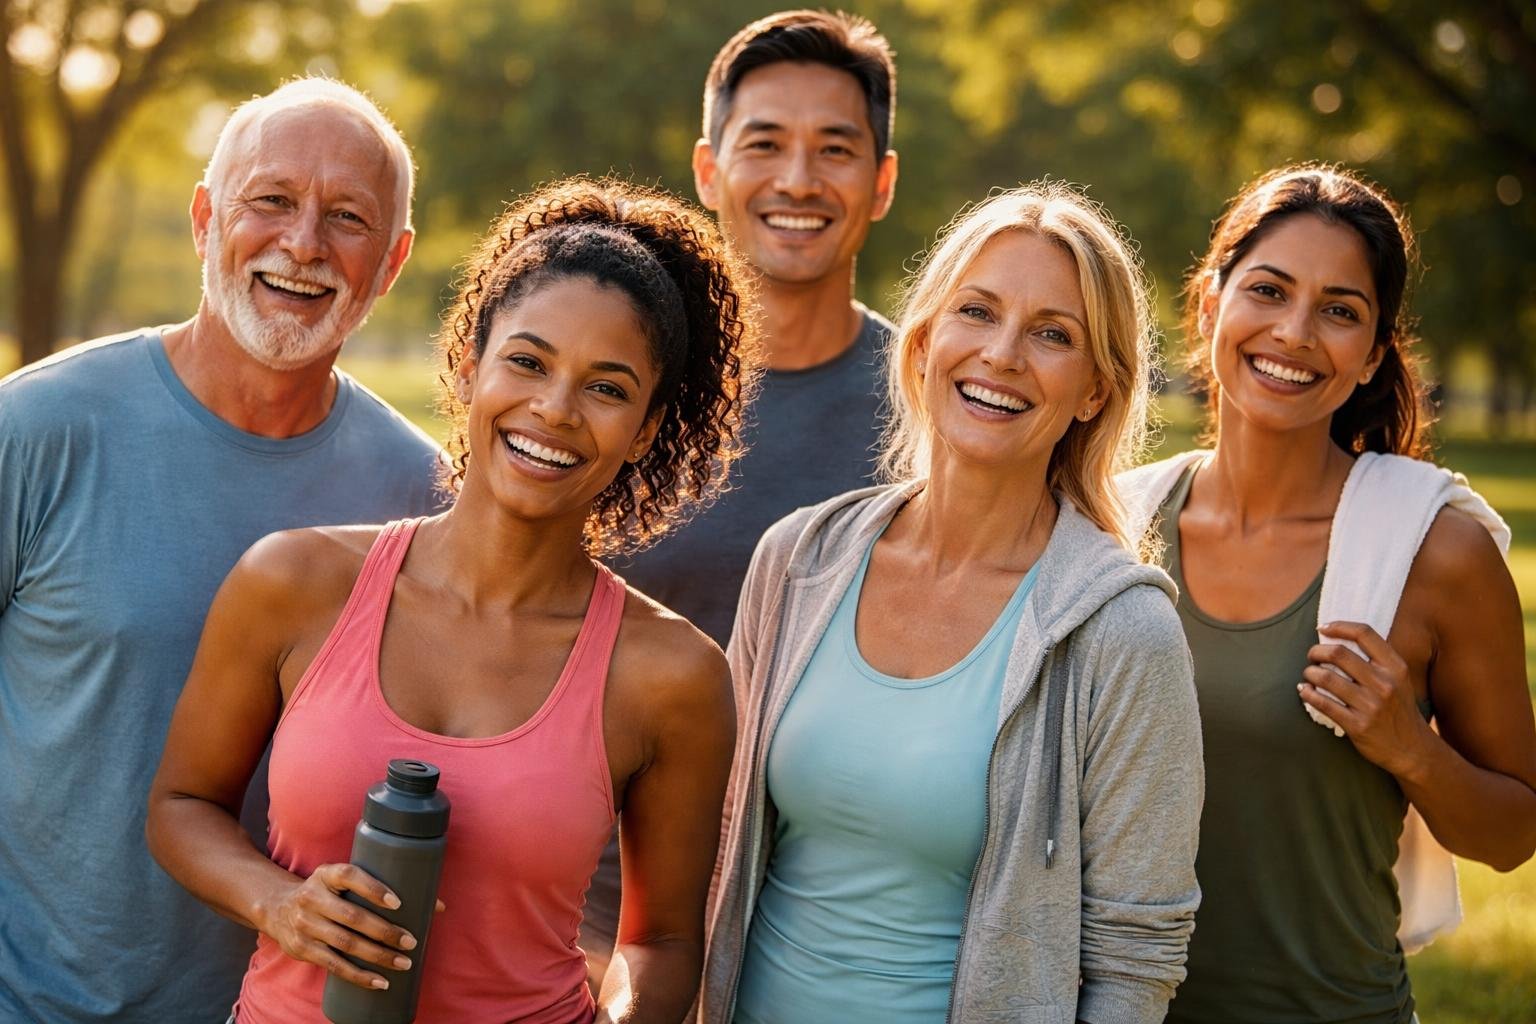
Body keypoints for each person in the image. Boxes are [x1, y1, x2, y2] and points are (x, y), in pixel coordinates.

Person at [146, 177, 752, 1024]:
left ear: (646, 429)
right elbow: (181, 808)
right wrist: (276, 902)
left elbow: (662, 944)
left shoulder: (673, 675)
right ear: (471, 369)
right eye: (528, 362)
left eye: (607, 388)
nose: (554, 408)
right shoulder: (293, 583)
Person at [701, 184, 1204, 1024]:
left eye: (1053, 335)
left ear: (1093, 391)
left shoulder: (1122, 630)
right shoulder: (798, 559)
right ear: (924, 342)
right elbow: (719, 839)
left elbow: (1135, 959)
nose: (1003, 354)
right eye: (978, 312)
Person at [0, 78, 441, 1022]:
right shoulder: (36, 430)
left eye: (348, 218)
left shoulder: (420, 498)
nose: (303, 244)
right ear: (206, 218)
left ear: (392, 262)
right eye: (271, 200)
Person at [1118, 165, 1536, 1024]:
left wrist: (1408, 749)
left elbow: (1512, 834)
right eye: (1268, 290)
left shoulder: (1436, 550)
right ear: (1208, 303)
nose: (1296, 332)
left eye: (1340, 310)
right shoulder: (1113, 527)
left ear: (1375, 351)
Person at [585, 9, 902, 975]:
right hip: (592, 921)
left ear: (882, 183)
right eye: (765, 144)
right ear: (709, 169)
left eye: (835, 149)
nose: (798, 181)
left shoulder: (934, 413)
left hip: (831, 932)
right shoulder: (614, 376)